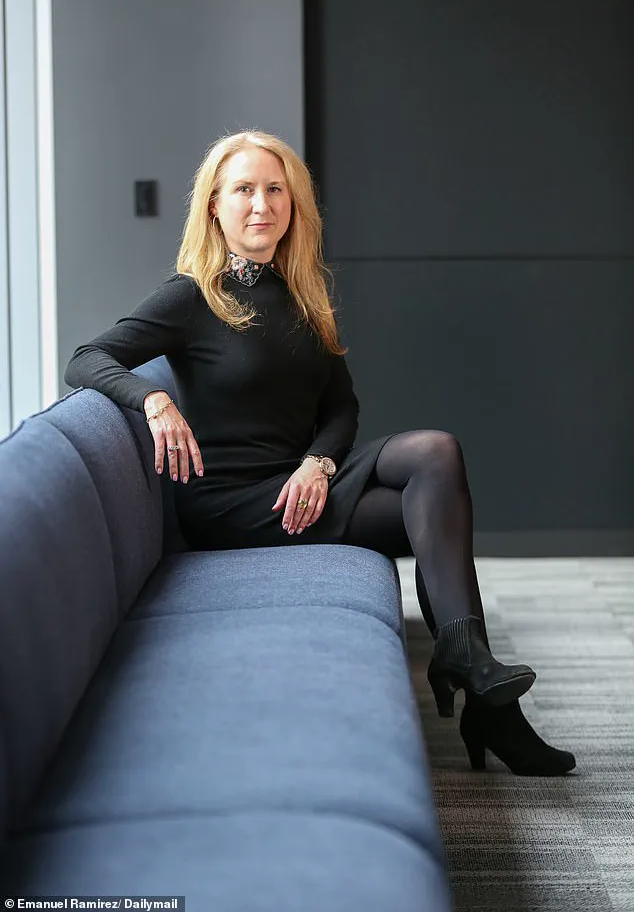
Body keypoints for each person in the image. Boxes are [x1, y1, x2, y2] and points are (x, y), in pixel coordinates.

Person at [65, 129, 575, 777]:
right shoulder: (192, 296)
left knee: (435, 464)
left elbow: (341, 408)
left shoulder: (301, 294)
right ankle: (485, 698)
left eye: (275, 189)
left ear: (294, 203)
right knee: (433, 506)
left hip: (300, 480)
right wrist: (153, 400)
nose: (262, 204)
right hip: (233, 507)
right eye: (244, 190)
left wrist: (319, 462)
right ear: (215, 205)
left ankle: (471, 668)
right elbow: (86, 359)